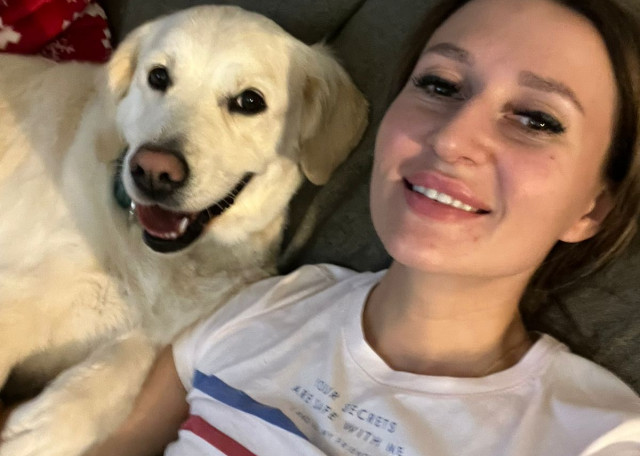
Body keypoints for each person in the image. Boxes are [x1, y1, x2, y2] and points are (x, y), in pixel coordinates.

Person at [79, 0, 640, 454]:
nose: (451, 139)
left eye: (537, 119)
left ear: (592, 208)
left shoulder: (595, 435)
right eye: (440, 85)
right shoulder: (257, 308)